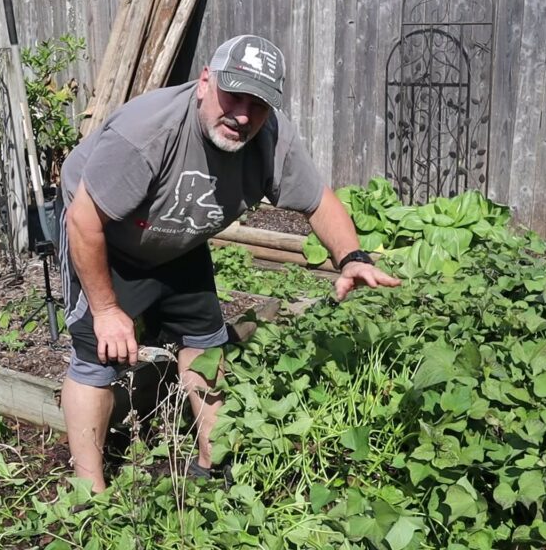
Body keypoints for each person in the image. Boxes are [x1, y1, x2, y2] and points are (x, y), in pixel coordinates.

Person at [58, 35, 400, 492]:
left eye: (257, 104)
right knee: (96, 358)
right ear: (204, 82)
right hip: (108, 238)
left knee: (205, 343)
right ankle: (89, 494)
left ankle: (211, 463)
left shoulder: (274, 139)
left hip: (180, 240)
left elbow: (317, 201)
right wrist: (105, 310)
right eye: (232, 95)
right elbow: (84, 220)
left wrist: (352, 257)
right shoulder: (148, 132)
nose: (242, 115)